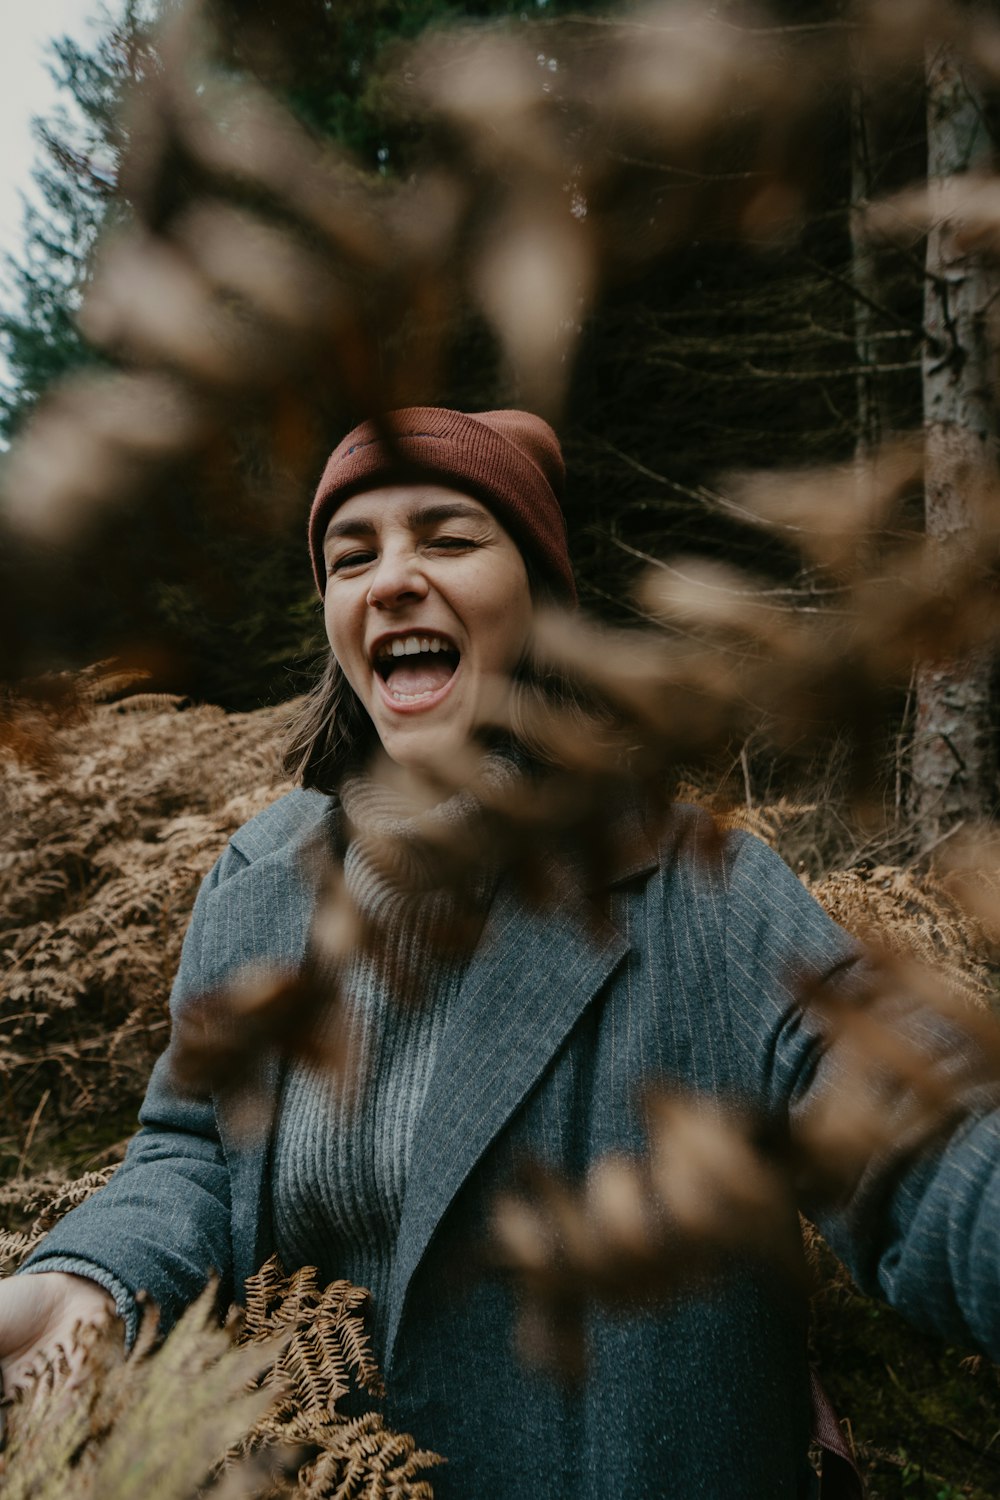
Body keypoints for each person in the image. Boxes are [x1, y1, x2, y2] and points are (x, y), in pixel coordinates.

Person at [3, 406, 1000, 1498]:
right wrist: (88, 1282)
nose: (388, 580)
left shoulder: (696, 891)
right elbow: (192, 1151)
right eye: (352, 556)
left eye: (447, 538)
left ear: (539, 599)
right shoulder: (256, 887)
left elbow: (913, 1127)